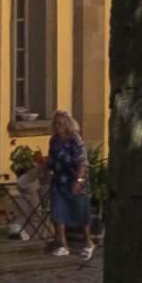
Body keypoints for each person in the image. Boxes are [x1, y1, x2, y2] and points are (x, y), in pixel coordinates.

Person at [41, 110, 93, 260]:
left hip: (76, 179)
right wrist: (39, 171)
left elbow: (82, 163)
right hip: (59, 181)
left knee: (81, 212)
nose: (58, 127)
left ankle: (88, 242)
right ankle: (63, 245)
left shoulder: (75, 140)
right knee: (58, 211)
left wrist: (78, 182)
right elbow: (51, 160)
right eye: (56, 124)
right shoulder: (53, 141)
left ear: (68, 125)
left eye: (61, 124)